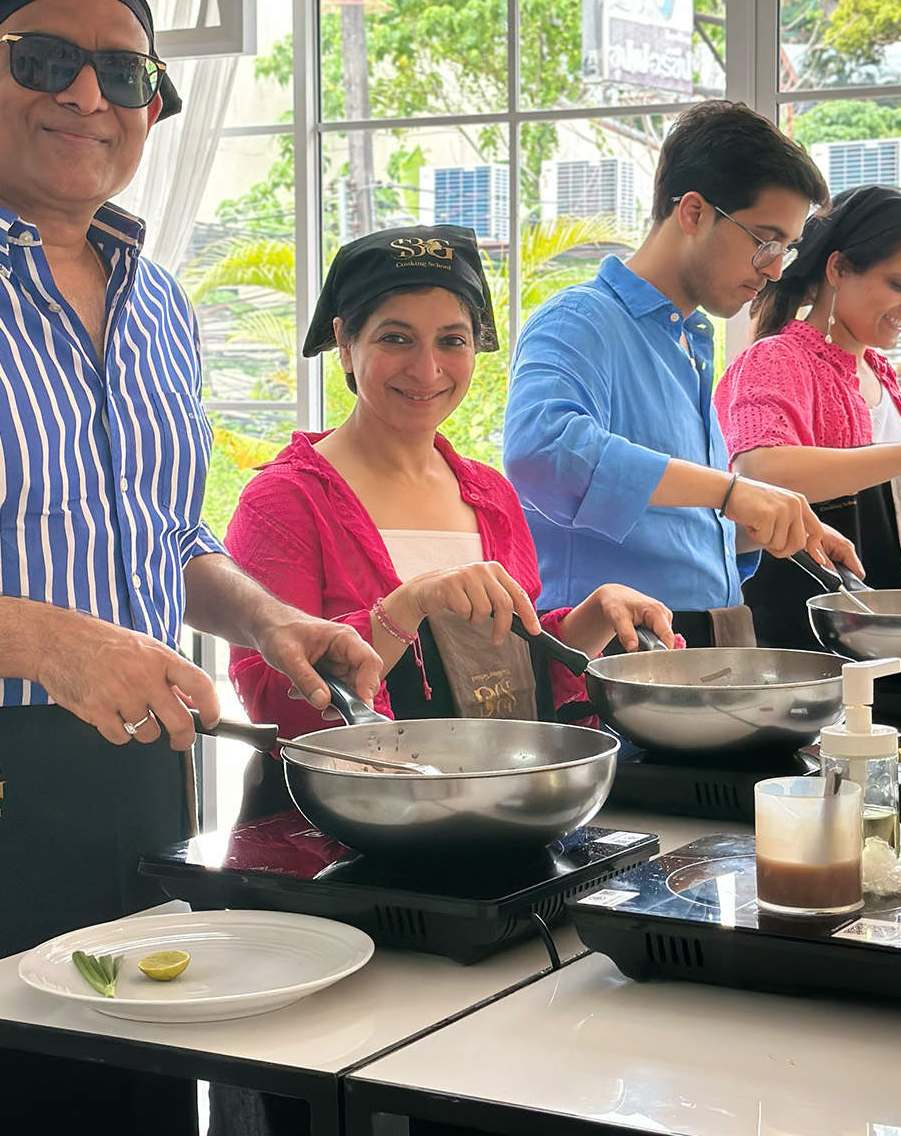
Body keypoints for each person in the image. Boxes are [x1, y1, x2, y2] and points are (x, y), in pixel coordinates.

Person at [0, 0, 381, 1136]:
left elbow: (160, 534)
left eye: (128, 73)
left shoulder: (160, 306)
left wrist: (267, 618)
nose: (90, 94)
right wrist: (40, 639)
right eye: (47, 61)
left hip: (133, 796)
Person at [224, 223, 675, 820]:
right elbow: (270, 703)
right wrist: (403, 610)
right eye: (396, 338)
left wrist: (589, 622)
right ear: (344, 343)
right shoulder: (284, 502)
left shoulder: (491, 494)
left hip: (495, 819)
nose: (428, 368)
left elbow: (504, 684)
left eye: (452, 341)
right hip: (339, 831)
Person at [502, 101, 864, 651]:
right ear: (693, 212)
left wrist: (772, 522)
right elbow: (542, 450)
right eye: (764, 240)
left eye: (786, 250)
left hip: (703, 639)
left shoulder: (691, 340)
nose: (773, 269)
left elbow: (669, 519)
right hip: (613, 653)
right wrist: (732, 492)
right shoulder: (580, 320)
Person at [714, 182, 901, 646]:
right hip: (806, 641)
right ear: (837, 268)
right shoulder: (777, 360)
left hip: (876, 632)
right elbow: (759, 470)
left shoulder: (878, 371)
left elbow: (865, 494)